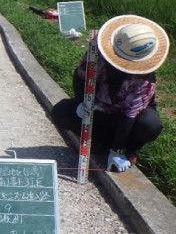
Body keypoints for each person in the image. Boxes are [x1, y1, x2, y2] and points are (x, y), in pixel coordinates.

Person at [51, 15, 170, 172]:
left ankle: (126, 149)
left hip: (127, 120)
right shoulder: (96, 53)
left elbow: (130, 114)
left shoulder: (144, 79)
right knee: (60, 112)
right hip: (98, 109)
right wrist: (82, 102)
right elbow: (80, 77)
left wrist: (117, 149)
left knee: (150, 124)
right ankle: (101, 141)